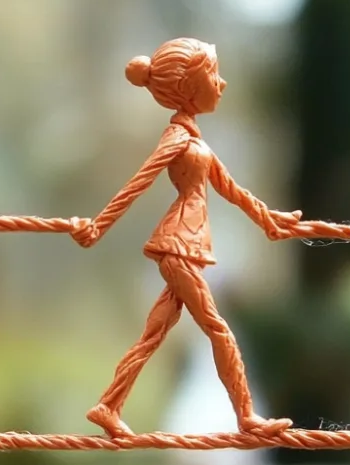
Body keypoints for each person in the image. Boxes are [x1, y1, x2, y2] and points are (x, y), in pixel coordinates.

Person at [71, 37, 300, 438]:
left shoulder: (195, 140)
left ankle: (108, 405)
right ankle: (247, 417)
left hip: (188, 246)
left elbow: (230, 188)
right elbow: (140, 181)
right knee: (218, 329)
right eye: (212, 74)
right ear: (188, 88)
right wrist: (99, 225)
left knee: (154, 333)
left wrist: (269, 219)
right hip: (179, 243)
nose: (221, 83)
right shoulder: (178, 139)